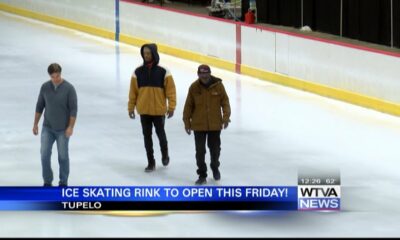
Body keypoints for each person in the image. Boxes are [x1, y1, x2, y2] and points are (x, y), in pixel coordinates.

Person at [128, 43, 176, 172]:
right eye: (144, 53)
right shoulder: (137, 72)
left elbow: (171, 91)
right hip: (144, 111)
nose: (146, 55)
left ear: (154, 54)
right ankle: (151, 162)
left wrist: (171, 107)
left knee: (161, 134)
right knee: (147, 137)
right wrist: (131, 107)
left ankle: (165, 154)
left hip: (158, 111)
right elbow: (133, 92)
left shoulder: (164, 71)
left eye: (148, 53)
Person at [183, 64, 231, 185]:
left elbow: (225, 102)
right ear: (198, 74)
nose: (204, 76)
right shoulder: (194, 87)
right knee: (200, 151)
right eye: (201, 73)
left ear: (210, 73)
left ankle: (215, 167)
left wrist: (226, 118)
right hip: (198, 125)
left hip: (215, 125)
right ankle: (202, 174)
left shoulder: (218, 86)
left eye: (206, 73)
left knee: (215, 149)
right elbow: (188, 106)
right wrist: (186, 122)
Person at [33, 63, 78, 187]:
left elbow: (73, 110)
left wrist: (70, 127)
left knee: (63, 157)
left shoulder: (69, 89)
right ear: (49, 76)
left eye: (57, 76)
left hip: (63, 130)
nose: (55, 79)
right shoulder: (45, 87)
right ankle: (47, 182)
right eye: (53, 76)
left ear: (60, 74)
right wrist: (35, 124)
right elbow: (39, 106)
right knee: (44, 155)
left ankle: (63, 182)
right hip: (47, 128)